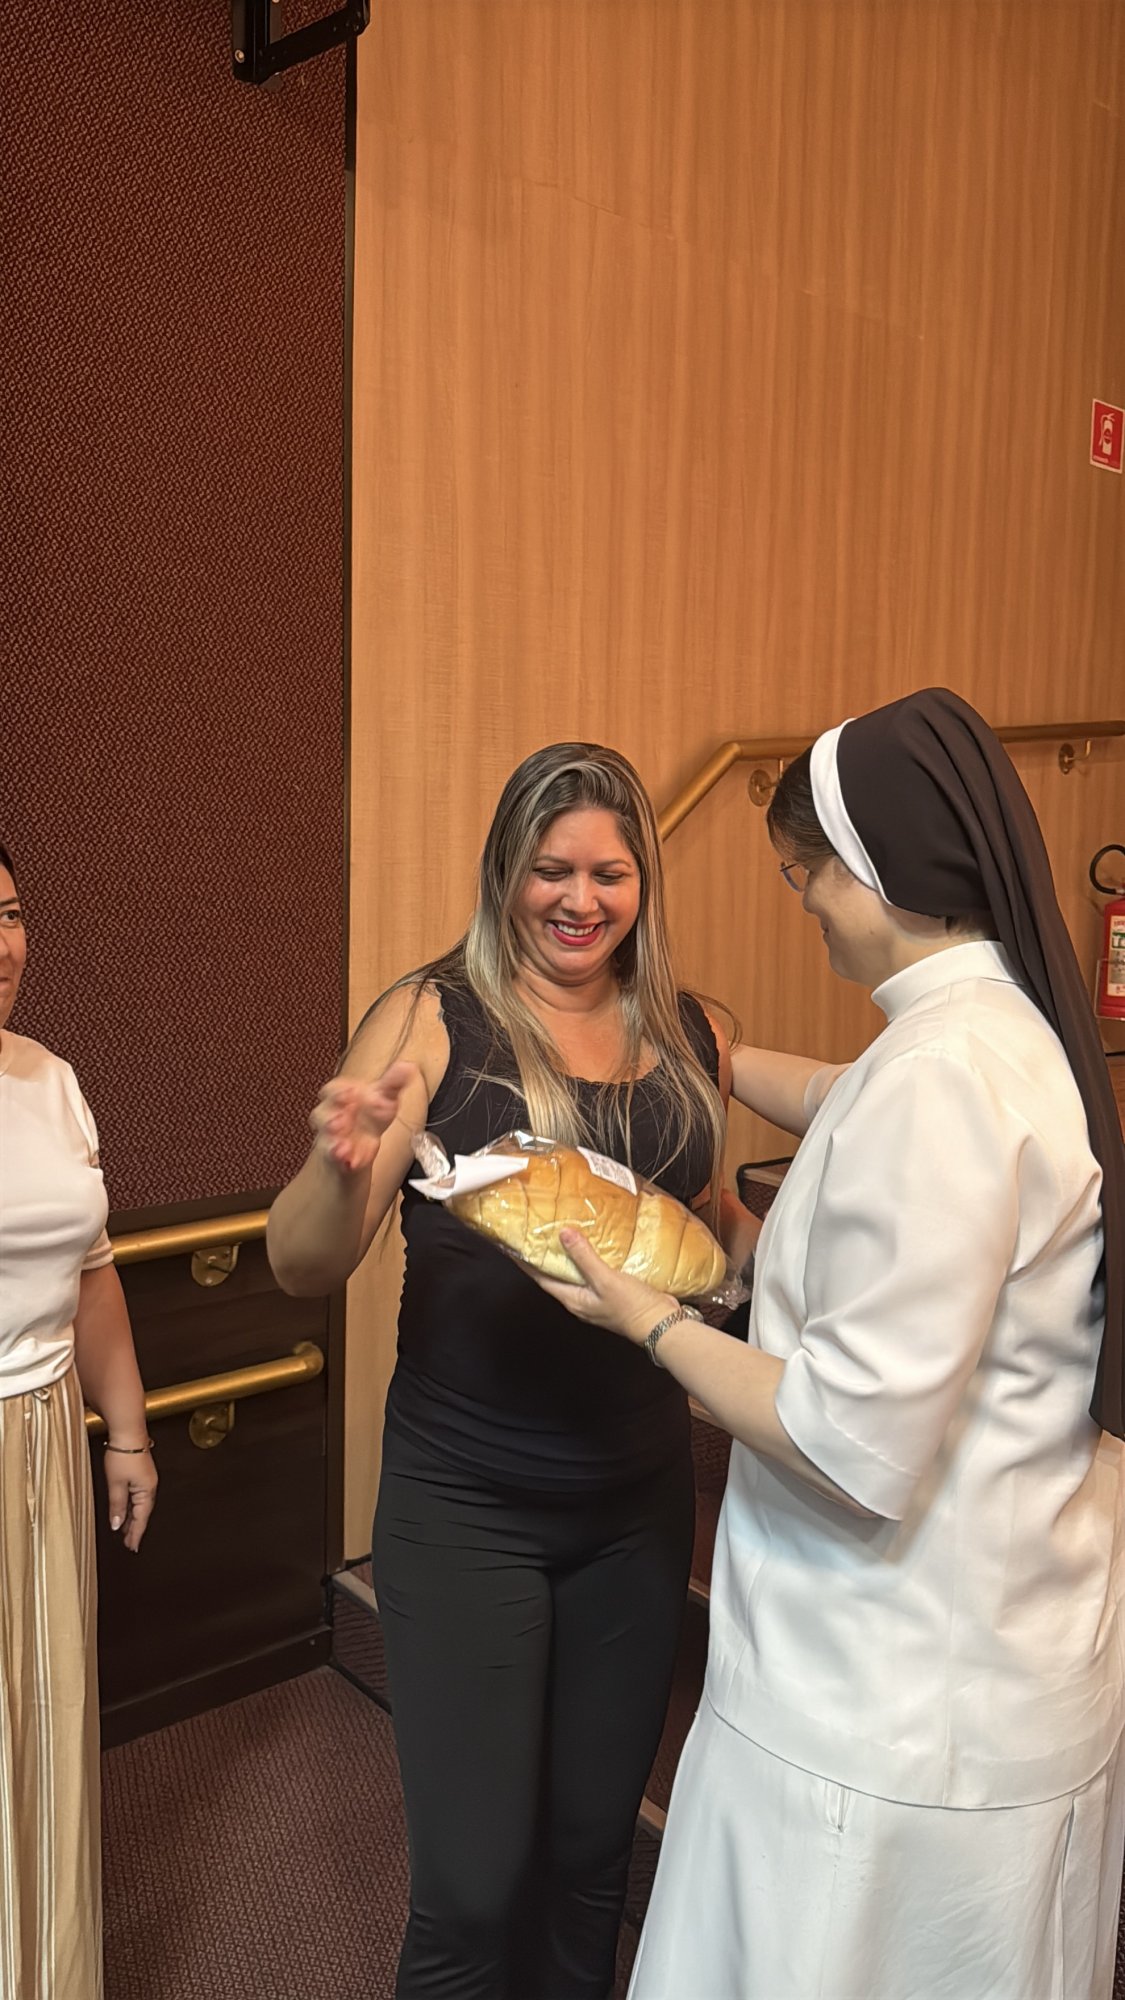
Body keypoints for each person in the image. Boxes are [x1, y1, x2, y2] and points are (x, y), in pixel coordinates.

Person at [537, 689, 1125, 2000]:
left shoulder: (941, 1081)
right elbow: (846, 1095)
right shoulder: (998, 1033)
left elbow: (847, 1437)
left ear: (877, 869)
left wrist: (648, 1318)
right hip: (998, 1661)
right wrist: (720, 1052)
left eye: (805, 876)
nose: (804, 903)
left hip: (893, 1703)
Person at [268, 742, 753, 2000]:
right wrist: (336, 1162)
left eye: (608, 872)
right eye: (551, 869)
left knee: (593, 1862)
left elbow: (700, 1232)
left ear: (642, 879)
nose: (579, 900)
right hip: (464, 1507)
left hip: (634, 1505)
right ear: (505, 872)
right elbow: (303, 1264)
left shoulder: (692, 1031)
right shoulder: (431, 1017)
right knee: (474, 1891)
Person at [0, 841, 157, 2000]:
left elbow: (91, 1269)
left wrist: (129, 1430)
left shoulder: (49, 1078)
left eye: (8, 912)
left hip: (48, 1433)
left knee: (49, 1730)